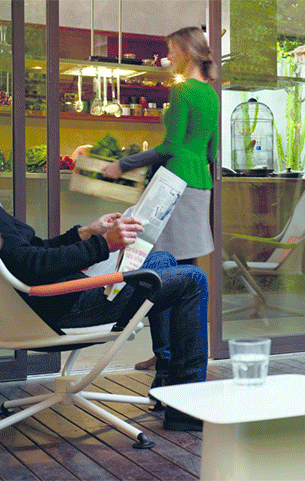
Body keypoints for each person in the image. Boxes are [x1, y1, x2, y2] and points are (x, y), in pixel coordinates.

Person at [0, 203, 208, 431]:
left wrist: (86, 232)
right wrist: (104, 244)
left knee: (162, 260)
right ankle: (185, 408)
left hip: (57, 299)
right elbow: (31, 264)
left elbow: (35, 250)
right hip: (62, 305)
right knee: (194, 279)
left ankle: (168, 379)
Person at [101, 26, 219, 374]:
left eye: (172, 49)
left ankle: (165, 353)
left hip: (174, 184)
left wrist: (123, 164)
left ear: (187, 52)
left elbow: (170, 147)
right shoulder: (211, 93)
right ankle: (182, 354)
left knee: (159, 269)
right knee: (188, 273)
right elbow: (210, 150)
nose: (169, 56)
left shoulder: (182, 91)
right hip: (200, 185)